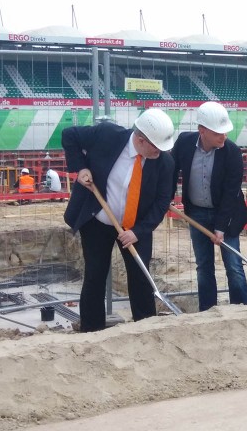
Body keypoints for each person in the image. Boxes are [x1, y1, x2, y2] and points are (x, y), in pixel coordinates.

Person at [62, 108, 176, 332]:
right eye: (156, 147)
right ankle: (92, 329)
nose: (161, 152)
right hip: (98, 222)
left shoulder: (164, 163)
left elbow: (162, 202)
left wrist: (138, 231)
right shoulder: (107, 135)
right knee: (95, 274)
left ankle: (144, 327)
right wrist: (81, 167)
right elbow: (69, 135)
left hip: (136, 227)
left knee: (141, 276)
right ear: (141, 140)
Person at [172, 102, 247, 310]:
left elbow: (230, 193)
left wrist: (220, 228)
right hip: (196, 213)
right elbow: (171, 170)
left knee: (233, 265)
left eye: (225, 132)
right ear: (202, 130)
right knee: (203, 265)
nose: (223, 137)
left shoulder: (232, 152)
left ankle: (241, 309)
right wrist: (167, 198)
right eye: (218, 133)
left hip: (227, 214)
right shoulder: (184, 143)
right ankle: (208, 311)